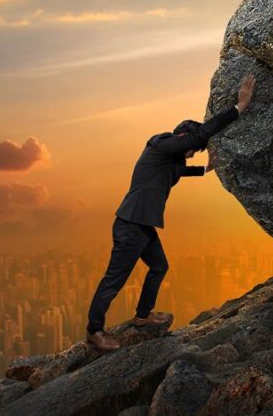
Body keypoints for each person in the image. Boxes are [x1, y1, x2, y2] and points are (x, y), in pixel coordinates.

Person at [85, 72, 257, 351]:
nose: (192, 154)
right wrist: (239, 108)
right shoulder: (160, 143)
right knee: (113, 281)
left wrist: (204, 169)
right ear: (183, 137)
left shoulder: (171, 161)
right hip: (131, 225)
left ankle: (142, 316)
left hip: (142, 226)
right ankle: (94, 331)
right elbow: (199, 135)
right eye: (192, 149)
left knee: (159, 266)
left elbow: (181, 170)